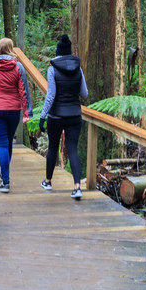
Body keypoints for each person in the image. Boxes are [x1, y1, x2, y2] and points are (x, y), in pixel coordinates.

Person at [39, 33, 88, 199]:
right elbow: (85, 93)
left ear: (57, 52)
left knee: (53, 146)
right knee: (73, 149)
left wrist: (42, 115)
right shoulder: (78, 68)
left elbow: (51, 95)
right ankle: (76, 187)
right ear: (69, 52)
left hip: (56, 116)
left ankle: (48, 181)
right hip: (74, 114)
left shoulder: (52, 69)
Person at [0, 38, 33, 194]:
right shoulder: (18, 66)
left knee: (3, 144)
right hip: (13, 110)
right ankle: (4, 174)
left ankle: (5, 181)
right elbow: (23, 91)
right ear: (11, 49)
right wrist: (26, 112)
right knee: (8, 142)